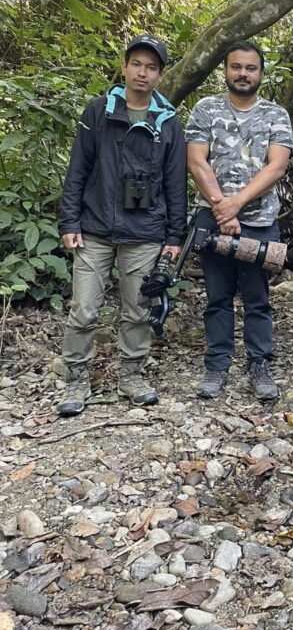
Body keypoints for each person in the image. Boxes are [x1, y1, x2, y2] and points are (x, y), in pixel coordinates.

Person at [57, 35, 187, 416]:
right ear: (124, 67)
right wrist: (69, 220)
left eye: (151, 67)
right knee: (83, 308)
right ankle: (76, 379)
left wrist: (175, 235)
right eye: (136, 64)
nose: (142, 73)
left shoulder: (168, 122)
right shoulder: (98, 111)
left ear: (161, 75)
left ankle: (131, 374)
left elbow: (175, 181)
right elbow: (77, 170)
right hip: (94, 227)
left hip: (145, 231)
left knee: (137, 309)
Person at [186, 41, 293, 401]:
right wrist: (220, 207)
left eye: (250, 68)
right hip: (212, 218)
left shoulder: (276, 114)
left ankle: (259, 364)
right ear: (226, 70)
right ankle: (217, 365)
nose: (243, 74)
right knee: (217, 296)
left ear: (261, 73)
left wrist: (235, 205)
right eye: (236, 67)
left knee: (257, 298)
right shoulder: (205, 110)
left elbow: (276, 166)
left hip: (260, 222)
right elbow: (197, 161)